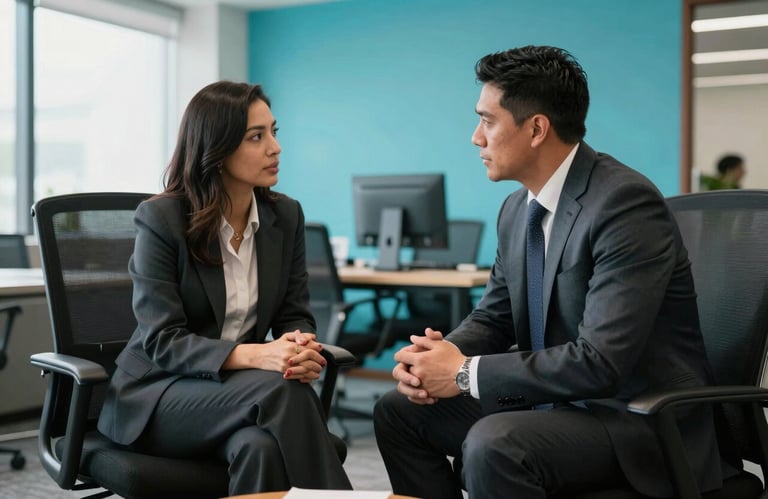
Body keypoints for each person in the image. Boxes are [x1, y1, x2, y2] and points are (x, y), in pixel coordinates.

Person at [374, 46, 730, 499]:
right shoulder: (516, 209)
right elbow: (494, 318)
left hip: (632, 421)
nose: (475, 138)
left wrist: (463, 373)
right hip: (556, 403)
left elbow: (602, 362)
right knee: (398, 411)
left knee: (495, 444)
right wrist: (434, 362)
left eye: (487, 120)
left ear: (537, 128)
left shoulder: (624, 204)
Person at [97, 81, 352, 495]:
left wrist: (300, 345)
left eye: (274, 132)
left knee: (260, 448)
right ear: (215, 149)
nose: (276, 147)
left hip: (240, 395)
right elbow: (163, 340)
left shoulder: (285, 216)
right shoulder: (162, 220)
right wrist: (259, 355)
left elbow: (294, 311)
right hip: (157, 396)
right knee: (280, 389)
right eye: (257, 136)